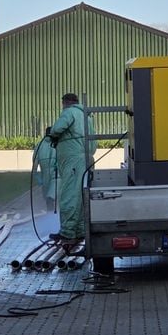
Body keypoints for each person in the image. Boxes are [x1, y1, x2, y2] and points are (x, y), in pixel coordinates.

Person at [46, 93, 93, 243]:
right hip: (86, 159)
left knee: (69, 195)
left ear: (65, 102)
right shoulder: (86, 116)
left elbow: (57, 129)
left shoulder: (69, 112)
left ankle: (67, 232)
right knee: (80, 196)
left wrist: (52, 134)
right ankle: (79, 230)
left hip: (73, 161)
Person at [34, 133, 58, 211]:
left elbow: (35, 164)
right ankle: (54, 214)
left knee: (48, 196)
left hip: (45, 174)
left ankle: (50, 212)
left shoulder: (39, 145)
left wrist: (36, 176)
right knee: (54, 194)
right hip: (56, 172)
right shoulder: (58, 143)